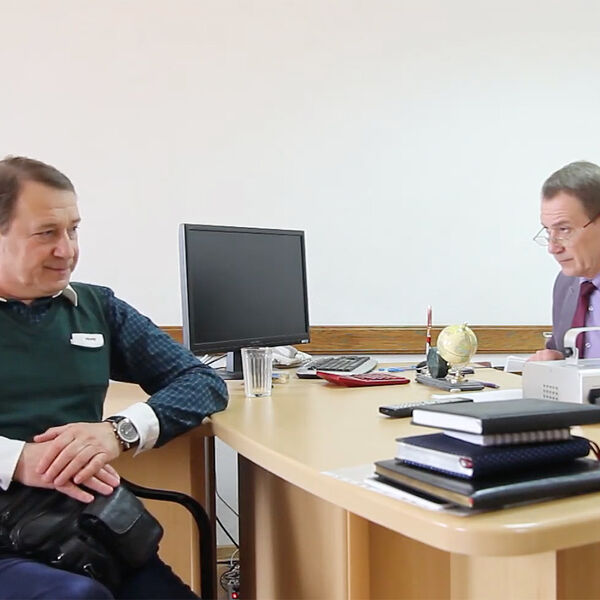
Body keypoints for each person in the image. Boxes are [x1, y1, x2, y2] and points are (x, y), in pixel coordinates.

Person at [0, 156, 229, 599]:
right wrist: (19, 460)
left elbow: (201, 381)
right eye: (46, 233)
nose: (67, 250)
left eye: (73, 230)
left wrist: (118, 432)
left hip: (87, 531)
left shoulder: (96, 308)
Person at [530, 160, 600, 361]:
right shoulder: (566, 283)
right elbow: (564, 353)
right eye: (548, 230)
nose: (553, 248)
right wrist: (555, 360)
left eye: (564, 229)